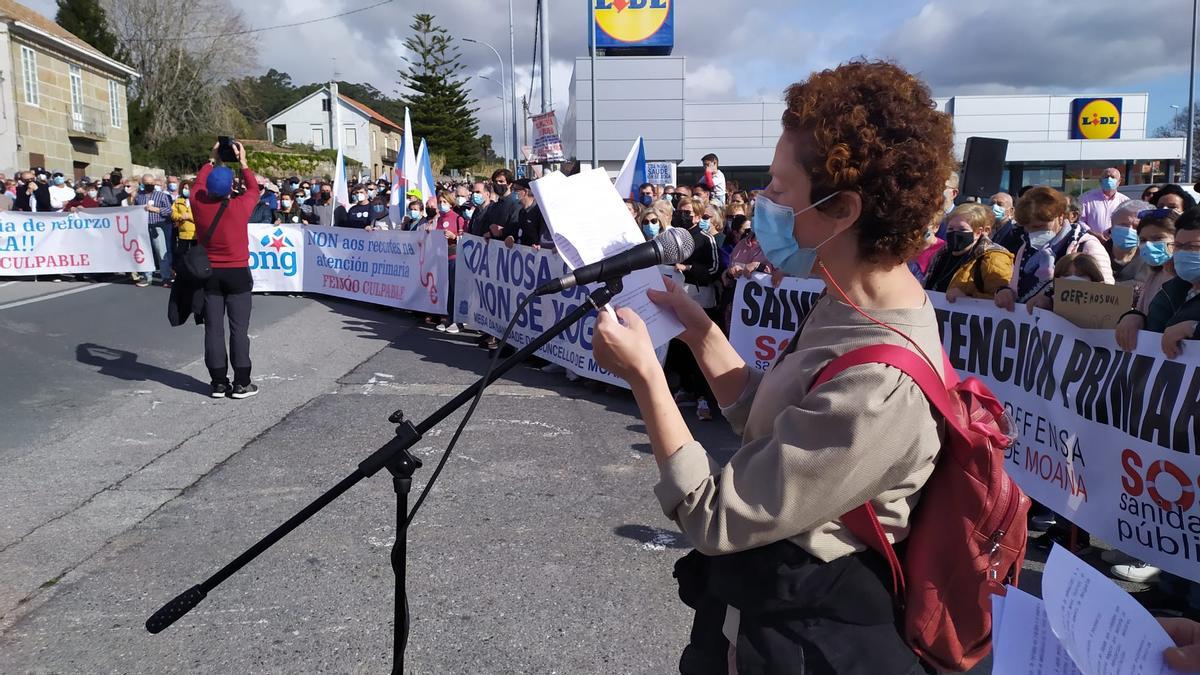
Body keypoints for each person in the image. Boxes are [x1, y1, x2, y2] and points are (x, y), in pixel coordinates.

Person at [591, 60, 953, 672]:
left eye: (779, 190)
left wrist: (647, 379)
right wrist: (695, 328)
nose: (762, 204)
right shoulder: (846, 301)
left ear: (843, 210)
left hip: (808, 634)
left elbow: (714, 516)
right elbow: (773, 417)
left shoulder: (881, 383)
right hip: (762, 602)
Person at [186, 141, 261, 399]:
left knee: (213, 329)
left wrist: (212, 158)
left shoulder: (198, 204)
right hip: (237, 272)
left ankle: (218, 382)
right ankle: (242, 382)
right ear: (231, 187)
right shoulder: (240, 206)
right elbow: (253, 189)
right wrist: (244, 163)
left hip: (210, 274)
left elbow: (196, 186)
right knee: (239, 329)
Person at [996, 186, 1114, 313]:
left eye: (1040, 226)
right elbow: (1016, 287)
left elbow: (1107, 299)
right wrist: (1005, 291)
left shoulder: (1087, 246)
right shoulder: (1025, 249)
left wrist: (1052, 302)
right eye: (1027, 227)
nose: (1033, 232)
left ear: (1061, 217)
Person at [1115, 207, 1200, 359]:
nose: (1183, 253)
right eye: (1179, 246)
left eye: (1193, 247)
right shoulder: (1173, 290)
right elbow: (1154, 328)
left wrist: (1194, 329)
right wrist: (1135, 317)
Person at [924, 202, 1014, 300]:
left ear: (978, 232)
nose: (954, 233)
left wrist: (967, 298)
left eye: (962, 229)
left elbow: (1002, 300)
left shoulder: (993, 258)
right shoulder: (942, 253)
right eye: (950, 228)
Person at [135, 173, 176, 287]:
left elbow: (169, 211)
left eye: (151, 183)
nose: (149, 185)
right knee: (146, 253)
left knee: (161, 252)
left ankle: (166, 278)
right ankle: (146, 277)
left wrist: (155, 209)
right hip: (143, 228)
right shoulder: (139, 197)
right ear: (142, 184)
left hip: (158, 226)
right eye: (147, 184)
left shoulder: (161, 196)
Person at [1105, 200, 1151, 281]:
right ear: (1111, 227)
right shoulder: (1095, 253)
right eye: (1123, 225)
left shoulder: (1150, 261)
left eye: (1136, 227)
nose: (1129, 230)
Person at [1078, 167, 1129, 237]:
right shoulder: (1086, 198)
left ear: (1119, 181)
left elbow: (1127, 223)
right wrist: (1093, 234)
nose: (1109, 179)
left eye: (1113, 177)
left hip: (1115, 242)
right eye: (1106, 177)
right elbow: (1080, 220)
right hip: (1091, 241)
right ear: (1100, 180)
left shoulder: (1125, 202)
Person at [171, 180, 196, 261]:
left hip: (195, 234)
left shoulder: (196, 201)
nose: (186, 190)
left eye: (188, 188)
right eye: (184, 188)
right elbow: (173, 214)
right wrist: (181, 217)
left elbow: (200, 216)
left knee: (194, 255)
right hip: (182, 233)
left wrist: (189, 217)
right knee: (181, 254)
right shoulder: (178, 201)